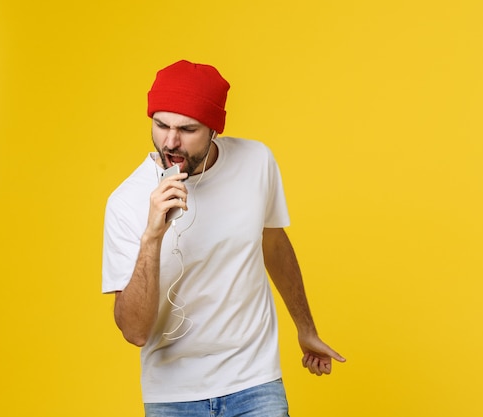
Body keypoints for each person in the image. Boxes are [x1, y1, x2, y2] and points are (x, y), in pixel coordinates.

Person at [102, 60, 345, 417]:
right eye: (161, 125)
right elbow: (135, 332)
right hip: (174, 394)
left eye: (187, 129)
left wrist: (305, 328)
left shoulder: (256, 161)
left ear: (214, 129)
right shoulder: (126, 201)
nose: (170, 141)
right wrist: (152, 236)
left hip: (254, 380)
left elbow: (274, 245)